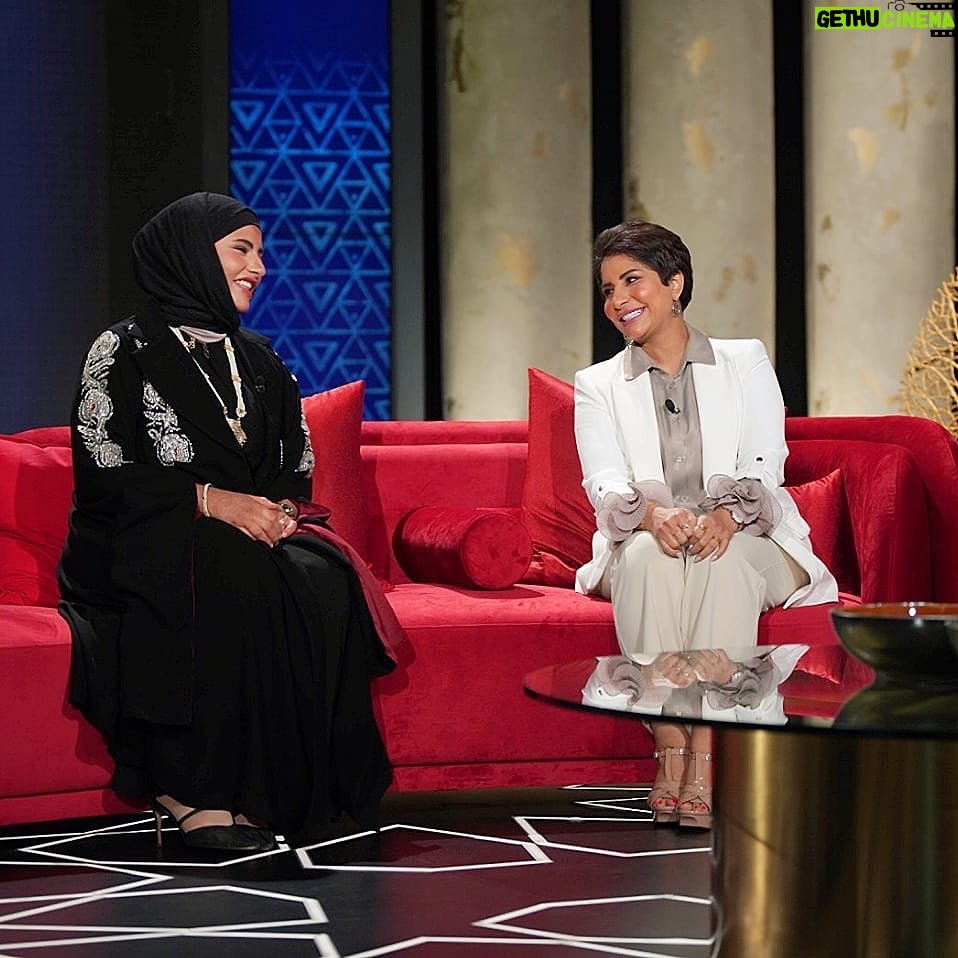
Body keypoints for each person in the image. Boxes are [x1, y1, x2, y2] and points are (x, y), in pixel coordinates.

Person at [58, 192, 404, 851]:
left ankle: (284, 788)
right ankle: (190, 788)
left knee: (321, 575)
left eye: (261, 252)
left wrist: (281, 511)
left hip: (245, 533)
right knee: (226, 565)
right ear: (191, 255)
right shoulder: (123, 350)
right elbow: (103, 469)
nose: (260, 267)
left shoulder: (260, 359)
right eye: (241, 250)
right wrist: (210, 501)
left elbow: (294, 461)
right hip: (138, 537)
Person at [573, 220, 838, 829]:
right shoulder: (597, 384)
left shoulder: (744, 360)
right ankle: (671, 742)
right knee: (648, 559)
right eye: (608, 290)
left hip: (749, 532)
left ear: (674, 283)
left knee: (722, 561)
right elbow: (603, 479)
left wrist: (726, 514)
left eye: (632, 281)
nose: (618, 301)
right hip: (649, 536)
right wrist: (651, 517)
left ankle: (711, 748)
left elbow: (766, 460)